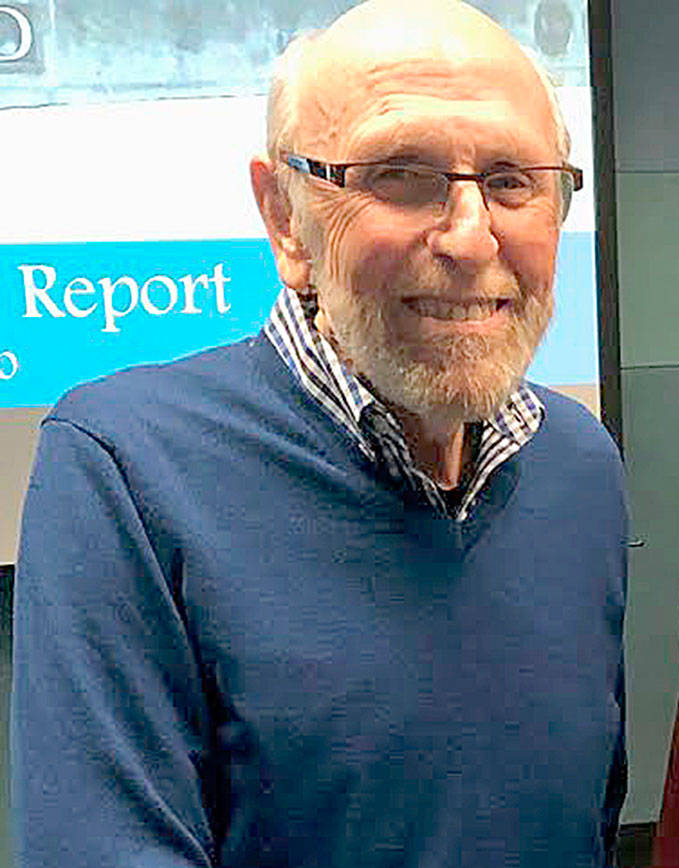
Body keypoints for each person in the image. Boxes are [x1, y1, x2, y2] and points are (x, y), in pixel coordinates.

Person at [11, 2, 627, 866]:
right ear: (285, 218)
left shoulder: (580, 467)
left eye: (512, 180)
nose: (470, 234)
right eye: (400, 174)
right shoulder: (124, 468)